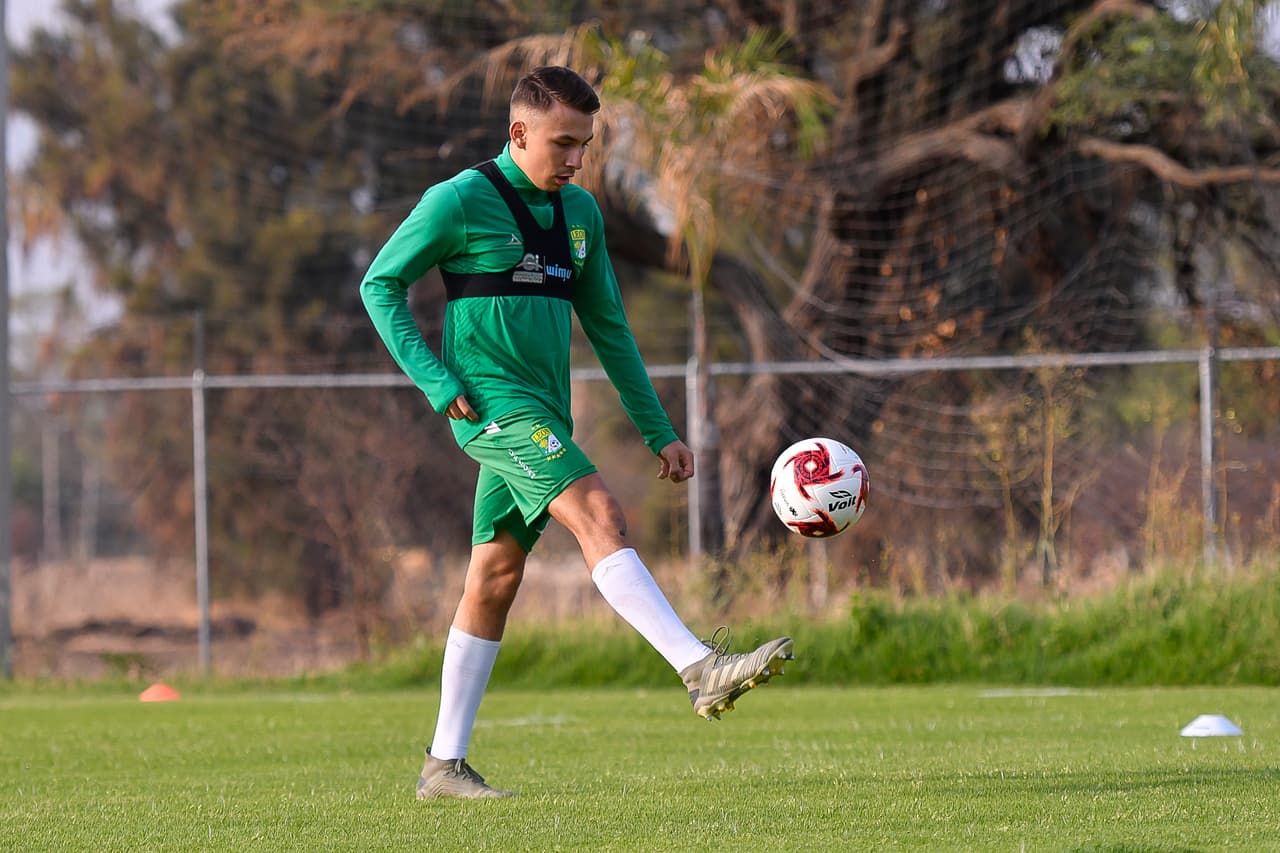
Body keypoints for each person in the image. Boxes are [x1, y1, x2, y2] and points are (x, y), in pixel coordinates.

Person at [360, 65, 794, 800]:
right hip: (493, 407)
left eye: (584, 146)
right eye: (562, 143)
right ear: (518, 131)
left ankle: (443, 765)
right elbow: (381, 284)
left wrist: (659, 429)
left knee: (495, 576)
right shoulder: (460, 201)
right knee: (600, 512)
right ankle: (698, 666)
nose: (574, 159)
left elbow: (610, 328)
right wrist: (439, 382)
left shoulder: (582, 214)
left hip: (546, 413)